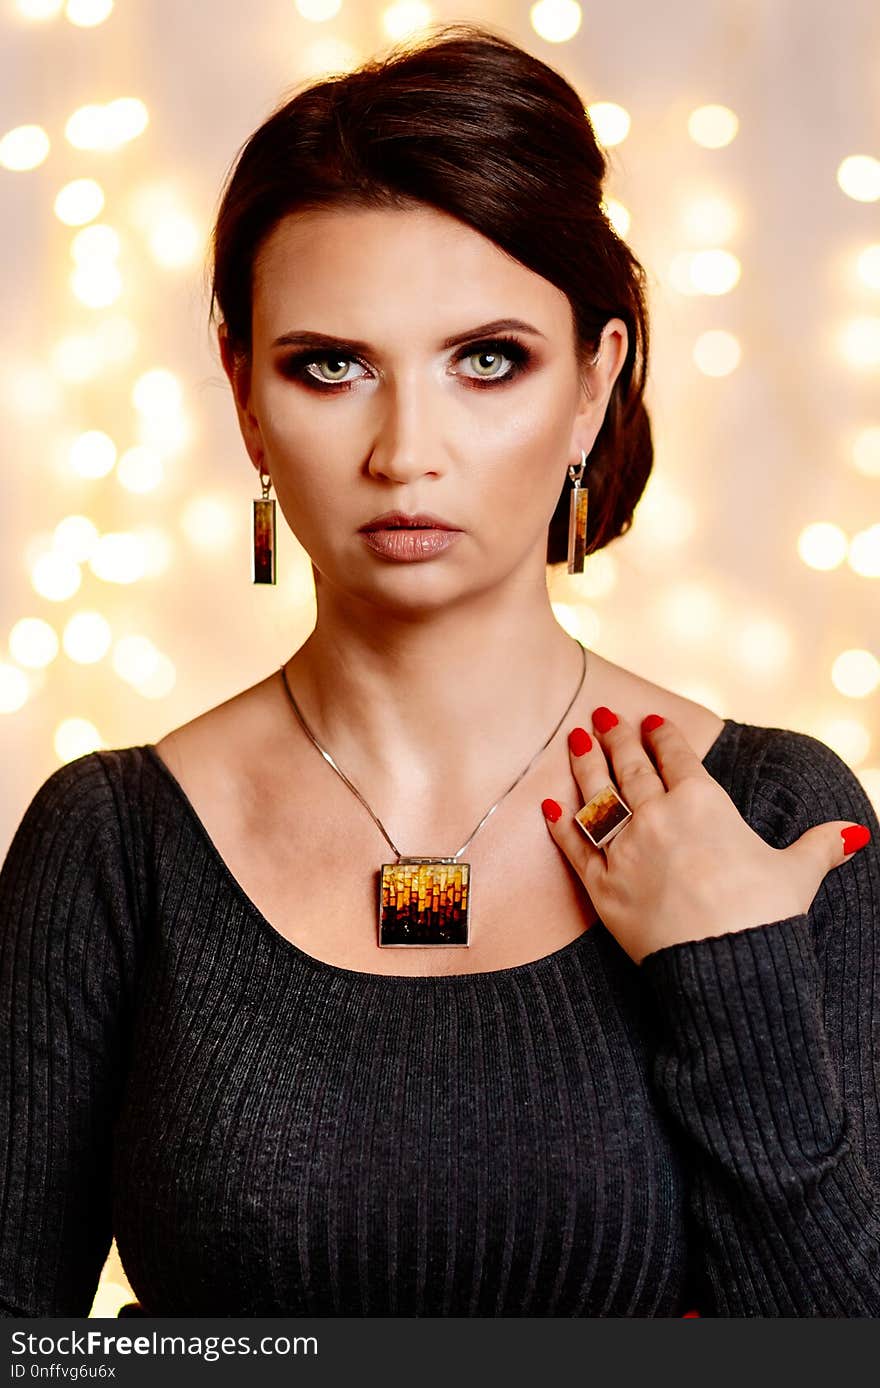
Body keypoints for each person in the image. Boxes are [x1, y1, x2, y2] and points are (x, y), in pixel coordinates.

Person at [1, 21, 879, 1320]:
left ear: (595, 381)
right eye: (332, 366)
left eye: (487, 360)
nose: (407, 450)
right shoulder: (113, 844)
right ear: (243, 391)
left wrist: (730, 974)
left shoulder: (770, 814)